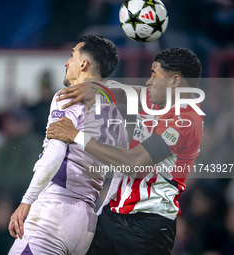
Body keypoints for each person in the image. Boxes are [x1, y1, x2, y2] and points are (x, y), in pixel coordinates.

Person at [47, 47, 204, 254]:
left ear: (175, 81)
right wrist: (96, 88)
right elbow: (127, 93)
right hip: (114, 214)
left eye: (154, 74)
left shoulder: (186, 121)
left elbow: (132, 163)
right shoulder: (156, 100)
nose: (149, 81)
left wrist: (76, 135)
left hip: (148, 227)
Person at [8, 34, 128, 255]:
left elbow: (54, 155)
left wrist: (26, 201)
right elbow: (123, 170)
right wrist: (101, 211)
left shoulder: (68, 96)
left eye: (72, 55)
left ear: (84, 64)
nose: (66, 62)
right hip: (86, 225)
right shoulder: (115, 114)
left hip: (54, 212)